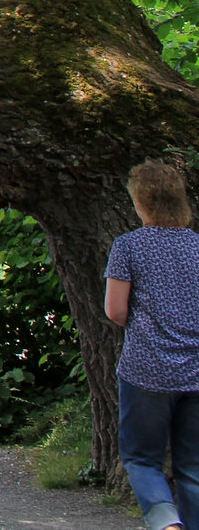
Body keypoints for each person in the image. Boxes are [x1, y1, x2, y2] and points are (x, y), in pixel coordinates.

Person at [105, 161, 199, 530]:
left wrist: (151, 328)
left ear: (140, 202)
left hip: (147, 369)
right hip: (196, 371)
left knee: (143, 459)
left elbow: (115, 311)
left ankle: (165, 523)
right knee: (193, 465)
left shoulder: (128, 246)